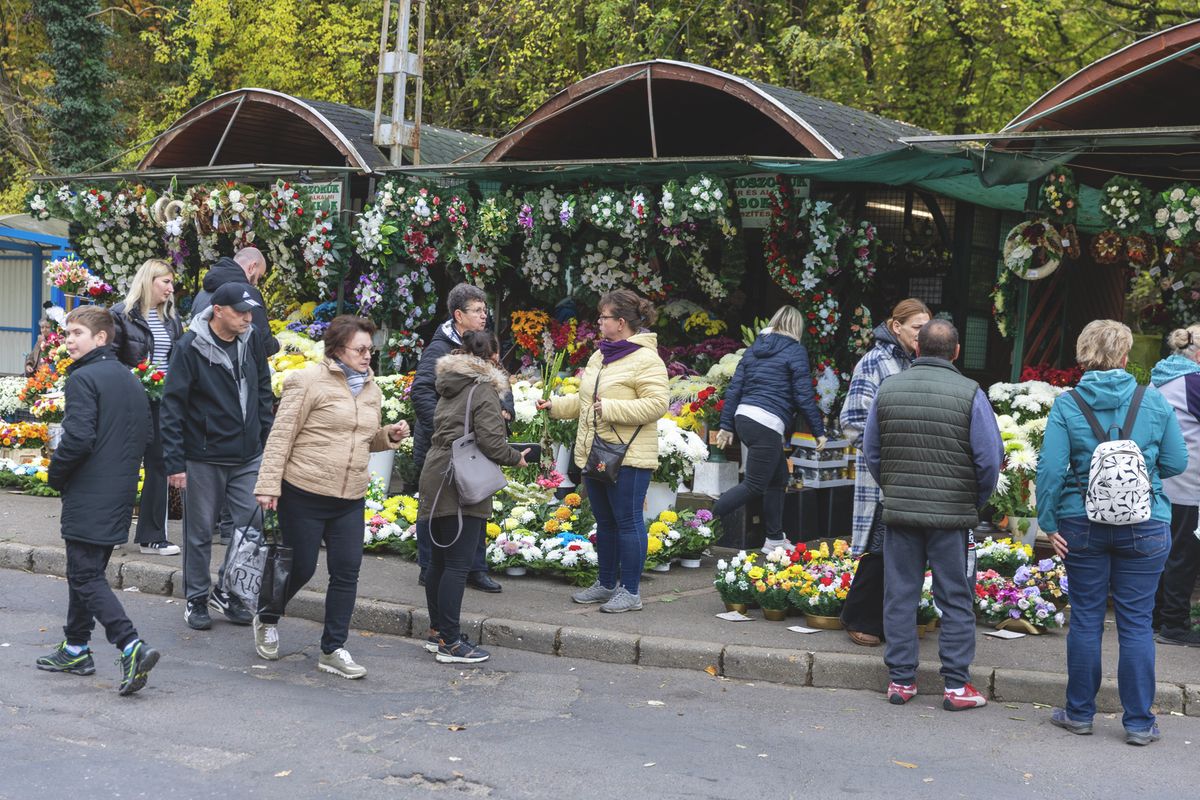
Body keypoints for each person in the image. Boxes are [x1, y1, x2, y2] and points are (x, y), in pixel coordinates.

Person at [1038, 320, 1187, 745]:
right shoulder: (1153, 400)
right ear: (1125, 358)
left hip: (1080, 523)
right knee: (1137, 624)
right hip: (1147, 523)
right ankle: (1139, 723)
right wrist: (1144, 474)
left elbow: (1050, 469)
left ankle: (1080, 713)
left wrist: (1049, 522)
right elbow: (1177, 461)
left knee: (1086, 618)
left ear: (1083, 355)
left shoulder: (1069, 404)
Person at [253, 315, 409, 677]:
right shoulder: (307, 381)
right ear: (338, 349)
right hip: (305, 490)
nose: (368, 355)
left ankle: (333, 648)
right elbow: (281, 436)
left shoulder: (372, 389)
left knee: (347, 572)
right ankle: (267, 616)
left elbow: (364, 438)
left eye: (371, 348)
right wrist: (267, 485)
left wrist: (388, 436)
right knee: (302, 567)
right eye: (361, 349)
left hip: (350, 495)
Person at [863, 318, 1002, 712]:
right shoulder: (970, 393)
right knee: (955, 598)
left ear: (917, 348)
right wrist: (974, 501)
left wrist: (894, 487)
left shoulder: (889, 389)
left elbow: (873, 451)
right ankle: (957, 686)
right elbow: (989, 460)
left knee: (900, 595)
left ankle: (901, 680)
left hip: (902, 512)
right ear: (957, 351)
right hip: (952, 516)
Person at [37, 306, 160, 695]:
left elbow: (78, 439)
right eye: (67, 333)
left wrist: (56, 476)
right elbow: (147, 437)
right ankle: (76, 647)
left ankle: (129, 644)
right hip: (120, 489)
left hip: (90, 488)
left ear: (101, 338)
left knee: (85, 574)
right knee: (85, 573)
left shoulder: (83, 379)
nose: (69, 340)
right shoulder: (131, 380)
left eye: (77, 333)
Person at [540, 289, 669, 614]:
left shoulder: (647, 359)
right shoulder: (602, 355)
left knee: (628, 521)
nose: (598, 321)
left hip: (629, 455)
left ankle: (631, 591)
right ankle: (606, 583)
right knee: (606, 522)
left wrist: (610, 408)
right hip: (596, 453)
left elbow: (657, 404)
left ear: (621, 322)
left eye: (604, 317)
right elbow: (588, 401)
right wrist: (555, 406)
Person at [160, 282, 274, 631]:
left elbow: (263, 389)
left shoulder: (252, 338)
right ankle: (196, 598)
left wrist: (265, 440)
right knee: (198, 533)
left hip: (247, 454)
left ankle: (228, 591)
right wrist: (175, 463)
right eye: (240, 311)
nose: (247, 317)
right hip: (203, 456)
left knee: (250, 527)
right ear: (218, 310)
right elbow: (172, 406)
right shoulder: (190, 346)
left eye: (250, 311)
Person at [419, 331, 529, 664]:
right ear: (493, 359)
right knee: (457, 565)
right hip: (461, 478)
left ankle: (438, 632)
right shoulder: (482, 390)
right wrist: (517, 457)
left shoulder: (451, 384)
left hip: (436, 472)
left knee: (438, 561)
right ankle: (451, 643)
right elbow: (492, 443)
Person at [839, 299, 931, 647]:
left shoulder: (917, 362)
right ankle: (858, 617)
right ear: (896, 326)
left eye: (926, 329)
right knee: (879, 547)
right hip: (882, 473)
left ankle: (884, 619)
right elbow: (852, 420)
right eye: (916, 328)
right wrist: (886, 452)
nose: (921, 335)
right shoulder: (875, 362)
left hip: (911, 473)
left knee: (900, 548)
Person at [712, 305, 827, 553]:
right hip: (766, 422)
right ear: (796, 327)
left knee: (778, 479)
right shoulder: (795, 351)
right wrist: (818, 430)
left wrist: (726, 424)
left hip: (746, 418)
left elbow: (735, 388)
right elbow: (803, 395)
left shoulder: (754, 350)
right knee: (754, 485)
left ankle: (774, 539)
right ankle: (701, 521)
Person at [411, 283, 502, 593]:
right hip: (443, 445)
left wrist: (507, 411)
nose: (484, 316)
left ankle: (475, 568)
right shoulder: (438, 349)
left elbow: (498, 382)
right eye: (477, 311)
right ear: (458, 315)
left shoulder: (480, 343)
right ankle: (429, 568)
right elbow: (421, 391)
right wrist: (446, 427)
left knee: (475, 500)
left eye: (485, 310)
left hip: (473, 446)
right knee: (437, 507)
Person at [111, 258, 185, 556]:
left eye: (171, 282)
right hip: (132, 401)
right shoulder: (121, 314)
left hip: (163, 402)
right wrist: (132, 381)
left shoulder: (171, 318)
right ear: (149, 280)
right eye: (165, 282)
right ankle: (113, 530)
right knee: (122, 466)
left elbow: (178, 359)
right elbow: (111, 358)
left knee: (160, 466)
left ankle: (152, 536)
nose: (171, 288)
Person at [1150, 324, 1200, 647]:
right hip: (1190, 483)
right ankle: (1175, 623)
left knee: (1163, 553)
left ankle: (1156, 617)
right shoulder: (1194, 382)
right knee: (1184, 555)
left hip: (1160, 483)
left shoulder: (1159, 378)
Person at [191, 246, 279, 356]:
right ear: (252, 267)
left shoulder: (202, 293)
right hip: (234, 365)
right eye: (259, 276)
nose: (256, 282)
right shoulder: (247, 294)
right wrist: (278, 344)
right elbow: (264, 345)